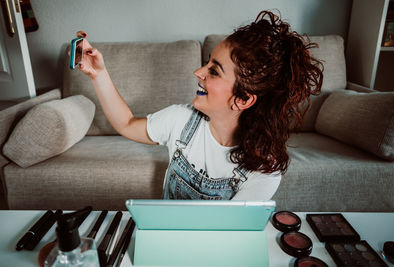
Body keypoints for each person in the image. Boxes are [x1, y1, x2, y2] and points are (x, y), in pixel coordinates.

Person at [76, 10, 323, 201]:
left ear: (244, 99)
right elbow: (126, 123)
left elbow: (230, 234)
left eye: (213, 71)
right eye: (207, 63)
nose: (198, 72)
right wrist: (98, 74)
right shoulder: (180, 120)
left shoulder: (264, 170)